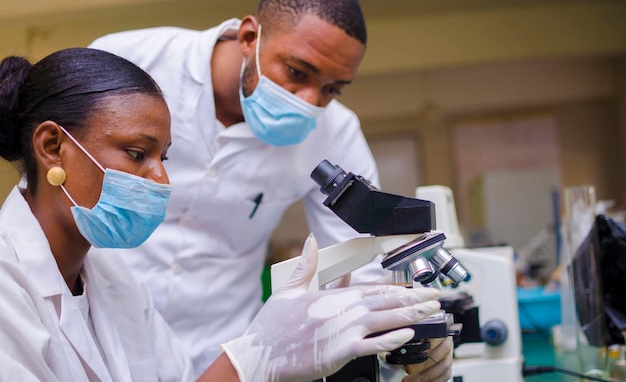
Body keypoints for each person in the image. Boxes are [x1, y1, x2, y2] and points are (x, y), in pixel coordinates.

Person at [89, 0, 453, 380]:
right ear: (249, 37)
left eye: (332, 89)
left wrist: (404, 331)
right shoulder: (129, 62)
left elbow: (362, 256)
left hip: (228, 353)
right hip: (99, 338)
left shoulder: (333, 131)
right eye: (297, 73)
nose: (310, 102)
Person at [0, 46, 444, 382]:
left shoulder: (115, 279)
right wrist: (251, 358)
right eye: (137, 154)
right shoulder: (6, 285)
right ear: (52, 147)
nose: (161, 181)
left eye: (164, 158)